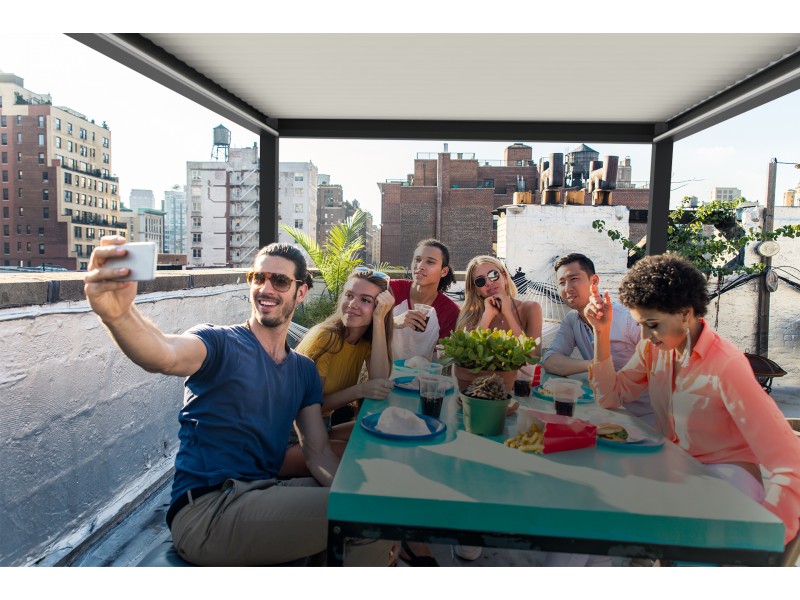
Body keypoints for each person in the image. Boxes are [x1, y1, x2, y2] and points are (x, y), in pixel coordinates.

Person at [83, 237, 393, 566]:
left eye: (280, 280)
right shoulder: (219, 343)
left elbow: (317, 453)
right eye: (258, 278)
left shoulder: (302, 371)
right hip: (209, 511)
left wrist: (356, 493)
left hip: (263, 492)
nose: (266, 288)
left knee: (376, 498)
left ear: (301, 292)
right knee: (372, 516)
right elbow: (164, 354)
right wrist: (120, 316)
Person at [586, 254, 800, 545]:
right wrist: (601, 332)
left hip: (728, 480)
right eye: (640, 325)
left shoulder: (726, 366)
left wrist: (768, 538)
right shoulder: (654, 350)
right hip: (677, 472)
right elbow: (610, 397)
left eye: (652, 324)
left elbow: (789, 462)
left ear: (686, 313)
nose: (645, 336)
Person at [280, 266, 396, 476]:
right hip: (288, 440)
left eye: (365, 300)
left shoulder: (364, 342)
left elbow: (379, 382)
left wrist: (379, 320)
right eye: (349, 295)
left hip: (321, 429)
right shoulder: (327, 338)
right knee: (367, 453)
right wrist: (359, 390)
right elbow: (306, 409)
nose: (352, 304)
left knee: (385, 434)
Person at [542, 253, 654, 426]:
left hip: (644, 419)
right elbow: (550, 361)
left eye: (574, 279)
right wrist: (595, 365)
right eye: (561, 282)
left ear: (594, 281)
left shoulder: (628, 319)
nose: (568, 288)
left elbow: (662, 368)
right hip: (603, 413)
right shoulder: (572, 320)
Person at [456, 255, 543, 356]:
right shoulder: (470, 316)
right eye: (480, 281)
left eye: (493, 275)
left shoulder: (531, 308)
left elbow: (533, 355)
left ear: (505, 277)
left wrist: (508, 314)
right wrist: (487, 316)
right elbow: (466, 357)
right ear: (476, 290)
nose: (489, 283)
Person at [390, 238, 460, 361]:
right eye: (417, 260)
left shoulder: (450, 312)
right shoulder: (391, 289)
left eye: (430, 262)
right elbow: (364, 325)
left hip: (425, 372)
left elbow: (442, 360)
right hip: (384, 371)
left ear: (444, 271)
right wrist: (393, 322)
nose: (420, 266)